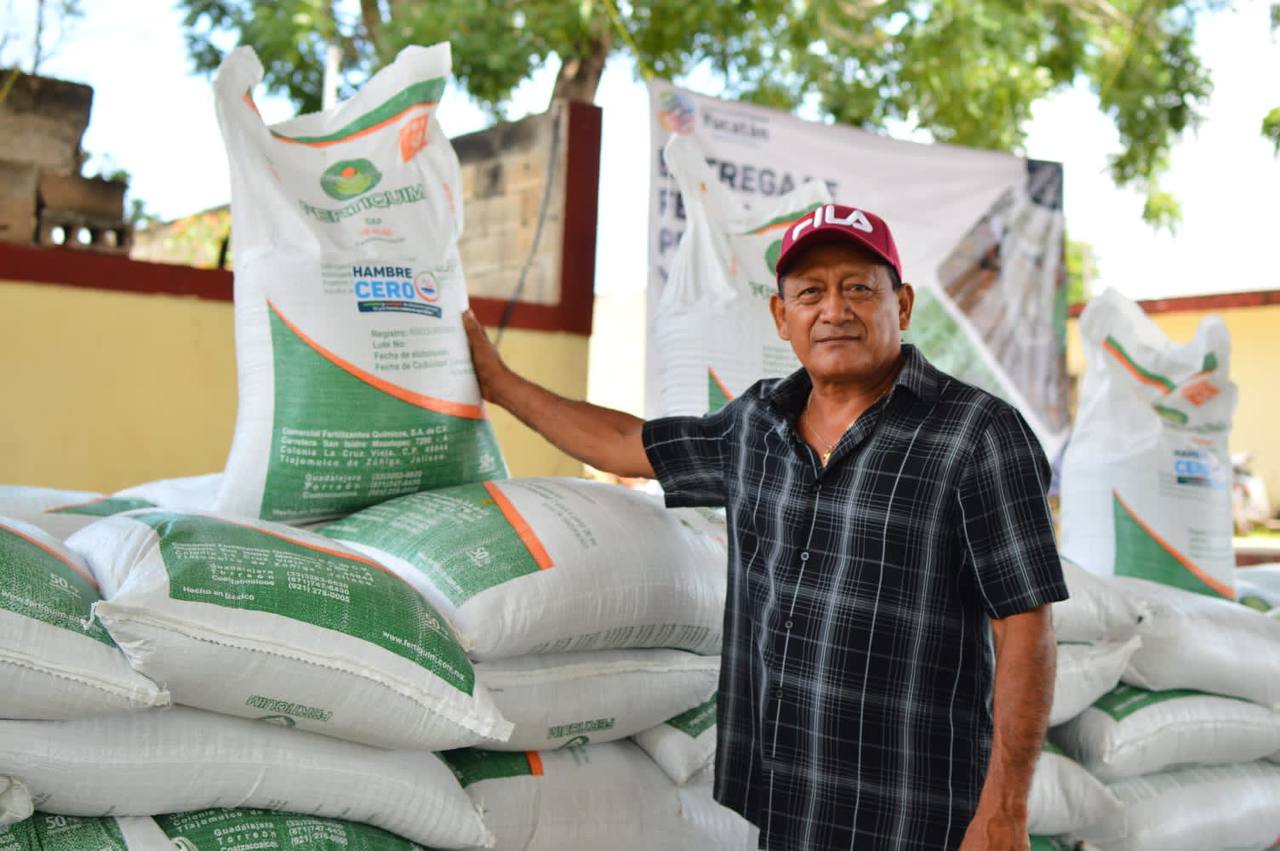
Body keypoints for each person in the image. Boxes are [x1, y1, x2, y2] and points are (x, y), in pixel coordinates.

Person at [462, 203, 1067, 851]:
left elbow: (1025, 626)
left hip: (916, 810)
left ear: (904, 303)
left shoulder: (977, 433)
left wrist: (1005, 805)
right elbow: (620, 443)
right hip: (786, 804)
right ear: (783, 317)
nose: (834, 309)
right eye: (810, 292)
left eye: (859, 287)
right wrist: (499, 385)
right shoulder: (756, 423)